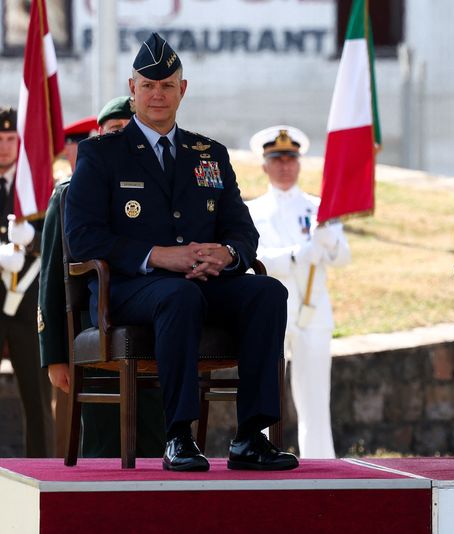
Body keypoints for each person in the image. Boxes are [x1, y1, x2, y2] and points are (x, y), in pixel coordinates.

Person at [64, 33, 297, 471]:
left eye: (167, 85)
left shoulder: (209, 154)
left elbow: (242, 230)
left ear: (182, 90)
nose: (158, 94)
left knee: (268, 292)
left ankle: (251, 436)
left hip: (203, 282)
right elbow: (83, 238)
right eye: (148, 85)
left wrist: (228, 254)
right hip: (129, 288)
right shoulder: (101, 154)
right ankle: (179, 436)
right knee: (178, 295)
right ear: (132, 89)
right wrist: (156, 255)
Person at [39, 97, 166, 458]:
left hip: (152, 332)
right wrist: (55, 355)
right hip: (93, 334)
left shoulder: (162, 190)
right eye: (114, 131)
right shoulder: (70, 194)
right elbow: (53, 280)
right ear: (97, 136)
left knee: (157, 438)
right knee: (103, 442)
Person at [246, 126, 351, 459]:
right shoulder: (251, 211)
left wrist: (328, 240)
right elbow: (253, 259)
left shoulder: (320, 208)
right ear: (265, 165)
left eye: (290, 159)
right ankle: (260, 453)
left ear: (299, 163)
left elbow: (343, 257)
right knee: (265, 392)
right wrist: (296, 255)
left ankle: (320, 461)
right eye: (277, 160)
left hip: (312, 308)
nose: (284, 166)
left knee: (315, 395)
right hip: (272, 310)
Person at [0, 106, 54, 458]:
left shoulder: (34, 186)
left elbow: (56, 238)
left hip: (27, 303)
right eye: (0, 139)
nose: (5, 146)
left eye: (11, 139)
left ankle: (42, 469)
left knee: (37, 399)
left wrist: (32, 240)